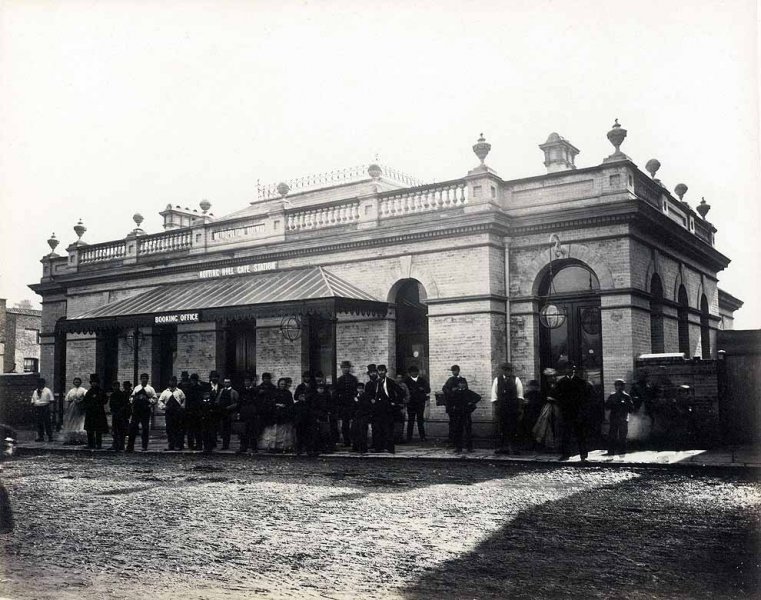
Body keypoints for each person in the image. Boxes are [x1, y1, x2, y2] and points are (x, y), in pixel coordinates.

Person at [556, 363, 594, 461]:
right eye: (567, 369)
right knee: (566, 434)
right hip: (566, 412)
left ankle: (583, 455)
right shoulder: (561, 382)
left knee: (580, 434)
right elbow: (558, 396)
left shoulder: (580, 382)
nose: (569, 370)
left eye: (571, 369)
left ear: (574, 370)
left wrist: (583, 410)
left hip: (578, 412)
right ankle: (565, 454)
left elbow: (586, 397)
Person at [490, 362, 524, 455]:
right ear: (503, 370)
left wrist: (520, 408)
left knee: (513, 428)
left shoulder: (516, 380)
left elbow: (520, 395)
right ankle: (502, 448)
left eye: (509, 370)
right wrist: (496, 406)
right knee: (501, 428)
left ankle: (513, 448)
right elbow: (494, 394)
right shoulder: (497, 380)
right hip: (502, 407)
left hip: (513, 408)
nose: (507, 372)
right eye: (505, 370)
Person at [366, 364, 401, 454]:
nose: (381, 372)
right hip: (377, 409)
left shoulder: (390, 382)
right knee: (378, 429)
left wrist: (395, 402)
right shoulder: (376, 383)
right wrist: (372, 399)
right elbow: (370, 394)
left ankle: (390, 448)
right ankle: (378, 447)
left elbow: (401, 392)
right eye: (379, 371)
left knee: (388, 428)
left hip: (388, 408)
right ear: (378, 372)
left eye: (383, 370)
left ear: (386, 371)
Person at [127, 373, 158, 452]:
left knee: (145, 428)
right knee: (133, 428)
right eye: (143, 378)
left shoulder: (150, 389)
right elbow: (131, 397)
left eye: (145, 378)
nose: (144, 380)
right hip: (137, 411)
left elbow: (155, 399)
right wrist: (134, 399)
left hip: (145, 411)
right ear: (140, 379)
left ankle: (144, 446)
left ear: (148, 379)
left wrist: (147, 400)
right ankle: (130, 446)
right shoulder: (137, 388)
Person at [532, 369, 561, 451]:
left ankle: (556, 445)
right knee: (546, 425)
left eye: (552, 376)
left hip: (556, 407)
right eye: (549, 377)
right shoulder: (545, 386)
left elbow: (560, 395)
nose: (551, 378)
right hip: (548, 407)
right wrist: (547, 399)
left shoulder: (558, 385)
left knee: (556, 424)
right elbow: (543, 396)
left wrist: (554, 399)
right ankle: (548, 444)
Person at [450, 379, 480, 453]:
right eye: (461, 383)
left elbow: (478, 397)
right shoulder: (455, 392)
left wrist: (471, 402)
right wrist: (453, 407)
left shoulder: (468, 392)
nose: (462, 385)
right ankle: (458, 447)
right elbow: (451, 400)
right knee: (458, 431)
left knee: (468, 431)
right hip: (458, 414)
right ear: (458, 384)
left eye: (464, 383)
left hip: (466, 414)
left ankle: (469, 448)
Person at [605, 378, 634, 455]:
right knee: (613, 436)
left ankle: (621, 452)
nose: (619, 387)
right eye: (617, 385)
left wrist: (624, 406)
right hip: (616, 418)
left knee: (622, 436)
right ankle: (612, 451)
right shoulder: (613, 396)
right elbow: (607, 406)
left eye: (620, 385)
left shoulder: (626, 397)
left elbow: (631, 408)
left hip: (622, 419)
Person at [158, 376, 187, 451]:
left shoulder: (179, 391)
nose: (173, 382)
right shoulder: (165, 392)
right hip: (169, 413)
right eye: (171, 381)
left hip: (177, 413)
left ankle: (178, 445)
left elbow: (184, 399)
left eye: (174, 381)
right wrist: (164, 407)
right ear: (169, 382)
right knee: (169, 429)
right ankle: (171, 444)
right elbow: (160, 401)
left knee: (178, 428)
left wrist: (182, 407)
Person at [403, 366, 430, 442]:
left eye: (415, 372)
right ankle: (409, 437)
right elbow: (403, 391)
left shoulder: (422, 381)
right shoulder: (406, 381)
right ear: (410, 373)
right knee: (410, 420)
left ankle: (422, 437)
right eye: (412, 372)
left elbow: (428, 390)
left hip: (420, 403)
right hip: (411, 403)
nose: (414, 373)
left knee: (420, 420)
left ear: (417, 372)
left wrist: (423, 389)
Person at [334, 361, 358, 447]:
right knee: (345, 424)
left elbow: (356, 391)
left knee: (354, 424)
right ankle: (346, 441)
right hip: (343, 405)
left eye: (347, 367)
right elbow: (336, 393)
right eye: (343, 367)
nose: (345, 369)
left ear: (349, 368)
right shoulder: (339, 380)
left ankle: (355, 441)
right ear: (341, 369)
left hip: (352, 404)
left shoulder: (354, 379)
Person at [82, 374, 109, 449]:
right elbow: (85, 401)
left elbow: (105, 400)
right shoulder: (89, 392)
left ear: (98, 383)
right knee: (90, 429)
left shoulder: (101, 391)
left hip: (98, 413)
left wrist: (97, 401)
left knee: (98, 429)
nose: (94, 384)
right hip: (90, 413)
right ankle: (90, 444)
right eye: (92, 382)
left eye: (95, 382)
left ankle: (98, 444)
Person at [442, 365, 467, 445]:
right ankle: (451, 438)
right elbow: (444, 388)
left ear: (458, 371)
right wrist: (451, 391)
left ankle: (459, 439)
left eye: (455, 370)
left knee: (459, 422)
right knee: (452, 422)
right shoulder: (450, 379)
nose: (454, 372)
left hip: (460, 404)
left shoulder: (463, 380)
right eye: (453, 371)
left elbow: (466, 390)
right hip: (451, 404)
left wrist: (459, 389)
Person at [237, 373, 260, 454]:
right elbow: (239, 402)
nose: (246, 383)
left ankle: (254, 447)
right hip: (244, 413)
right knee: (243, 431)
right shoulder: (241, 391)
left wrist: (256, 412)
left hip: (252, 413)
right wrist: (238, 412)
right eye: (245, 381)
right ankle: (243, 447)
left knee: (252, 431)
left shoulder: (255, 391)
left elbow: (257, 403)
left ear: (251, 382)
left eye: (248, 381)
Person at [61, 376, 87, 445]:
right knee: (72, 422)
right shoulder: (71, 391)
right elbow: (68, 400)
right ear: (73, 383)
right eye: (75, 382)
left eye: (78, 382)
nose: (77, 383)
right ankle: (72, 439)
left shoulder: (83, 390)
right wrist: (67, 409)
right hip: (72, 408)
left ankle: (80, 439)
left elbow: (86, 397)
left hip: (80, 407)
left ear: (80, 382)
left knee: (80, 422)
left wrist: (81, 400)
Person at [184, 374, 205, 450]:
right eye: (192, 380)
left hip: (197, 412)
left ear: (196, 380)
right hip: (190, 412)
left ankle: (199, 445)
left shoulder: (199, 389)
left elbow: (200, 401)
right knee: (190, 430)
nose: (193, 381)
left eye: (194, 380)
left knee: (198, 430)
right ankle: (191, 445)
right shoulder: (188, 389)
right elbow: (187, 402)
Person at [217, 377, 239, 450]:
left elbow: (237, 403)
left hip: (229, 413)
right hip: (222, 413)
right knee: (223, 429)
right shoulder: (221, 391)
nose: (226, 383)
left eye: (228, 382)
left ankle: (226, 445)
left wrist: (229, 407)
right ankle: (224, 445)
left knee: (227, 430)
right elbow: (218, 400)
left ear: (230, 383)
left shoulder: (234, 392)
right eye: (225, 382)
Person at [109, 380, 131, 451]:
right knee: (114, 430)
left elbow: (124, 404)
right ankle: (115, 445)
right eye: (114, 386)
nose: (116, 387)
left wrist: (120, 412)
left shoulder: (122, 394)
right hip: (115, 414)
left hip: (121, 415)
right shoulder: (112, 395)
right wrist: (112, 412)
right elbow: (111, 405)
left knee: (121, 430)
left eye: (117, 386)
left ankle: (121, 445)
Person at [30, 377, 54, 442]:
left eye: (41, 383)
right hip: (38, 409)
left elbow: (51, 400)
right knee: (39, 423)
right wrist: (34, 406)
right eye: (38, 383)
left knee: (47, 423)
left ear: (44, 383)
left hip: (45, 408)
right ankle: (41, 437)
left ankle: (50, 437)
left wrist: (48, 408)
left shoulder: (48, 391)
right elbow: (32, 401)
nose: (39, 384)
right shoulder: (35, 391)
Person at [351, 381, 372, 453]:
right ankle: (355, 447)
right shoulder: (354, 396)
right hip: (356, 417)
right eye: (359, 388)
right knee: (355, 431)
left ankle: (363, 448)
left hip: (364, 416)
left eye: (361, 388)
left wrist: (358, 401)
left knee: (362, 432)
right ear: (356, 389)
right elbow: (352, 407)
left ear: (363, 389)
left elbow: (366, 406)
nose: (360, 390)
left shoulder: (366, 396)